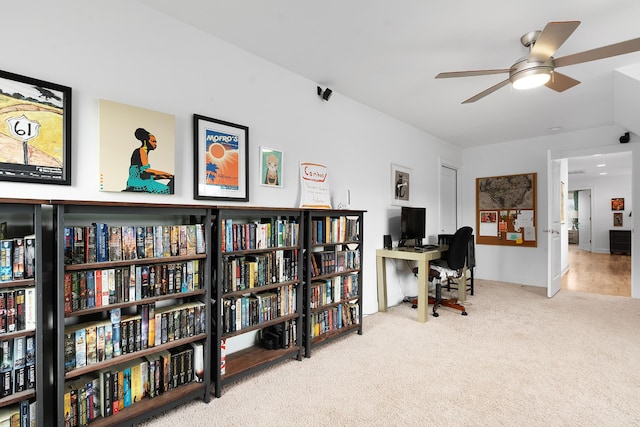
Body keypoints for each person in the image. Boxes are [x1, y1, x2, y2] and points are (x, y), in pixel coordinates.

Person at [125, 128, 174, 194]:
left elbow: (145, 175)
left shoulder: (142, 151)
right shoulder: (142, 150)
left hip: (138, 181)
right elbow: (146, 170)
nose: (155, 144)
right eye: (153, 141)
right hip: (138, 183)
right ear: (146, 141)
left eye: (156, 142)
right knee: (167, 190)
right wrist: (168, 174)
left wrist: (166, 176)